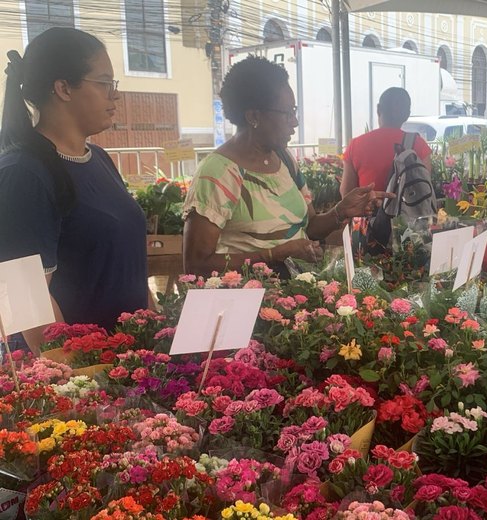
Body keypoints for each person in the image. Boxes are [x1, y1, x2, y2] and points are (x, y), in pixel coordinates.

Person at [0, 28, 148, 353]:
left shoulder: (99, 159)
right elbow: (27, 301)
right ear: (63, 88)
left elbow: (128, 265)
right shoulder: (23, 173)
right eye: (104, 83)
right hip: (80, 369)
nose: (115, 95)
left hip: (129, 360)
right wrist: (80, 373)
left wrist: (153, 334)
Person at [183, 56, 390, 276]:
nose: (295, 122)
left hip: (299, 289)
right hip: (250, 295)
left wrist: (340, 211)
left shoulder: (284, 159)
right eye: (287, 113)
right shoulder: (218, 173)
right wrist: (273, 255)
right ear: (254, 116)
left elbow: (309, 226)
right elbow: (196, 264)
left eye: (295, 111)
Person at [340, 87, 432, 196]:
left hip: (368, 207)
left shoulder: (356, 145)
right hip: (407, 207)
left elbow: (346, 193)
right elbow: (425, 189)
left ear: (378, 109)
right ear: (407, 114)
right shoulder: (419, 145)